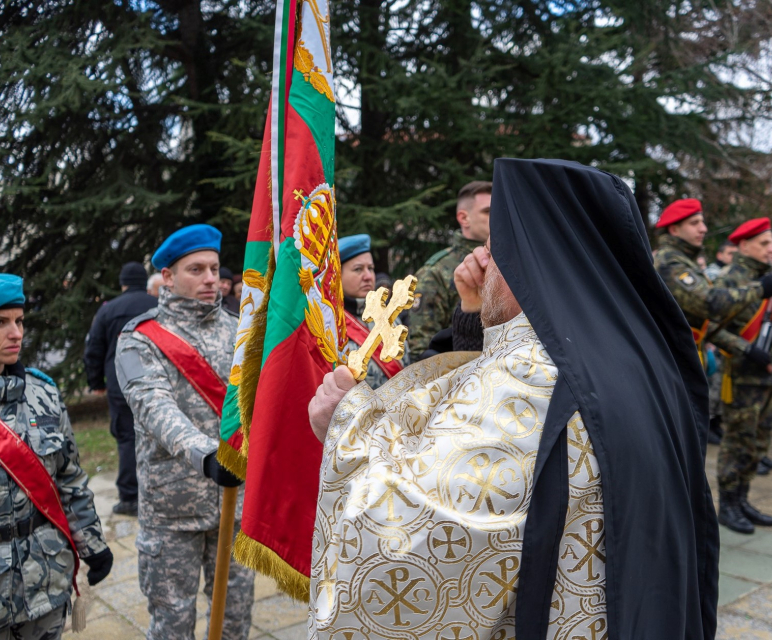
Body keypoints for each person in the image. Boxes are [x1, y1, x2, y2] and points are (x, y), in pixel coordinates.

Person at [307, 159, 718, 640]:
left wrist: (346, 427)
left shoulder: (531, 378)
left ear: (530, 261)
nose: (481, 264)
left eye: (493, 250)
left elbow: (405, 536)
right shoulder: (640, 358)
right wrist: (473, 313)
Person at [0, 274, 112, 638]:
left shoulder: (42, 393)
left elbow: (70, 479)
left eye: (19, 321)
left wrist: (92, 545)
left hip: (46, 588)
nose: (15, 333)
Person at [115, 225, 254, 640]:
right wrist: (208, 456)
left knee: (235, 618)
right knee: (172, 623)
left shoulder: (241, 332)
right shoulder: (140, 339)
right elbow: (155, 409)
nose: (211, 278)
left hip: (236, 503)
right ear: (169, 277)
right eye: (196, 269)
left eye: (213, 268)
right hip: (173, 511)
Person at [652, 199, 772, 445]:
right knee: (679, 437)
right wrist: (758, 289)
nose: (704, 229)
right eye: (694, 223)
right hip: (673, 360)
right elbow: (709, 303)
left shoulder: (683, 260)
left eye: (702, 222)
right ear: (674, 229)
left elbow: (705, 323)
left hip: (686, 356)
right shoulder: (670, 262)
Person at [714, 217, 772, 534]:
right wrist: (746, 349)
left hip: (766, 375)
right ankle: (727, 504)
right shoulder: (731, 279)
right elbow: (713, 329)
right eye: (764, 244)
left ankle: (743, 498)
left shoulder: (768, 278)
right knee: (737, 443)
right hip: (740, 375)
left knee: (758, 442)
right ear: (743, 245)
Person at [83, 262, 157, 516]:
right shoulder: (158, 306)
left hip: (120, 383)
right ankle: (158, 492)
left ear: (123, 283)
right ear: (145, 281)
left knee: (127, 438)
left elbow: (93, 349)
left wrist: (96, 384)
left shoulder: (109, 310)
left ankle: (129, 498)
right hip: (158, 383)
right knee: (162, 434)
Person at [406, 180, 491, 359]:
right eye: (488, 212)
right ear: (464, 218)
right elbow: (422, 351)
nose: (496, 217)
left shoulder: (507, 263)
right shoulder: (435, 272)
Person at [339, 234, 406, 389]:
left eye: (371, 268)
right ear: (338, 275)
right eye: (358, 269)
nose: (368, 277)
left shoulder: (391, 317)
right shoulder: (329, 324)